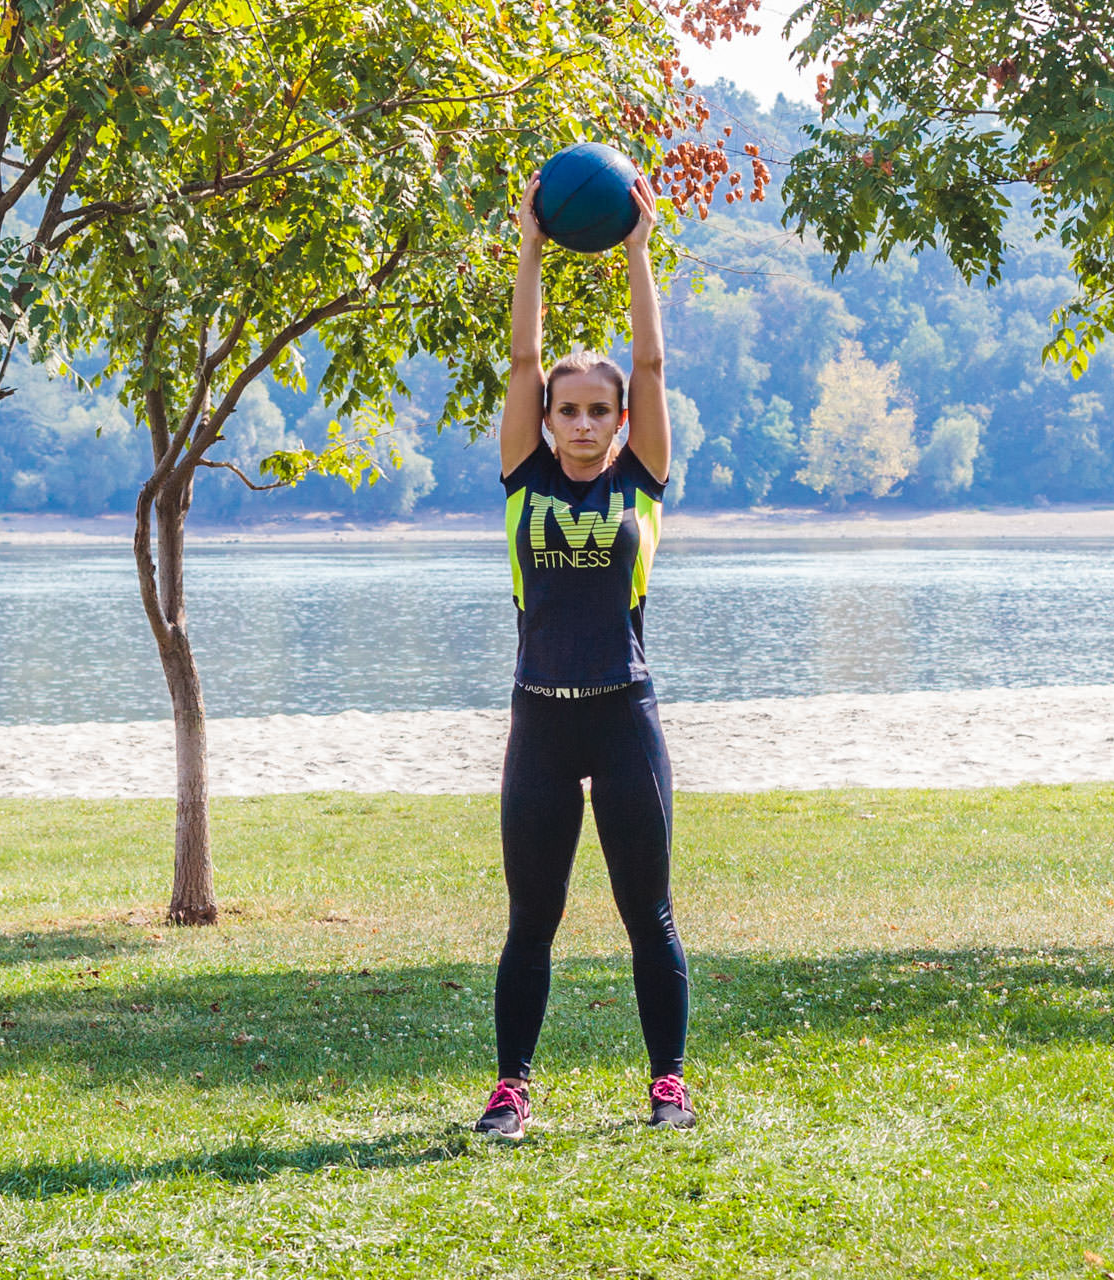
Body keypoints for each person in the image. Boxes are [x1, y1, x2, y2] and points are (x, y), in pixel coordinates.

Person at [474, 168, 693, 1138]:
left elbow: (650, 368)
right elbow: (521, 360)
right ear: (550, 417)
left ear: (616, 422)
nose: (582, 421)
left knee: (647, 910)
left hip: (622, 712)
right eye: (568, 408)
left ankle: (667, 1084)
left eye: (597, 409)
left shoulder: (640, 482)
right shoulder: (522, 473)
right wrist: (528, 241)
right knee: (533, 918)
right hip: (540, 720)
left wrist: (639, 247)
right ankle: (511, 1087)